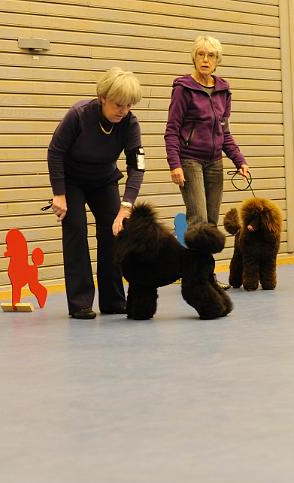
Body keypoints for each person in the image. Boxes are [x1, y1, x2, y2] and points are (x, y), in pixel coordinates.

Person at [47, 67, 145, 319]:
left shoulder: (130, 124)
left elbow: (137, 165)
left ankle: (113, 300)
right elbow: (55, 152)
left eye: (128, 105)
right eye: (117, 104)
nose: (123, 111)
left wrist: (126, 207)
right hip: (72, 180)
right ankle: (80, 302)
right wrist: (59, 194)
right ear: (103, 97)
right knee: (76, 231)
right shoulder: (79, 115)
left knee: (114, 230)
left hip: (104, 180)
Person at [165, 35, 249, 290]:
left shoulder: (223, 90)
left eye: (210, 56)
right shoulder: (184, 88)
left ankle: (205, 275)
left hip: (215, 162)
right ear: (194, 57)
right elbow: (171, 129)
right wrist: (174, 164)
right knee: (198, 220)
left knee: (211, 223)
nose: (205, 60)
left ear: (217, 61)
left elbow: (225, 132)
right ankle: (196, 277)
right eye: (201, 54)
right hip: (190, 160)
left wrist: (239, 161)